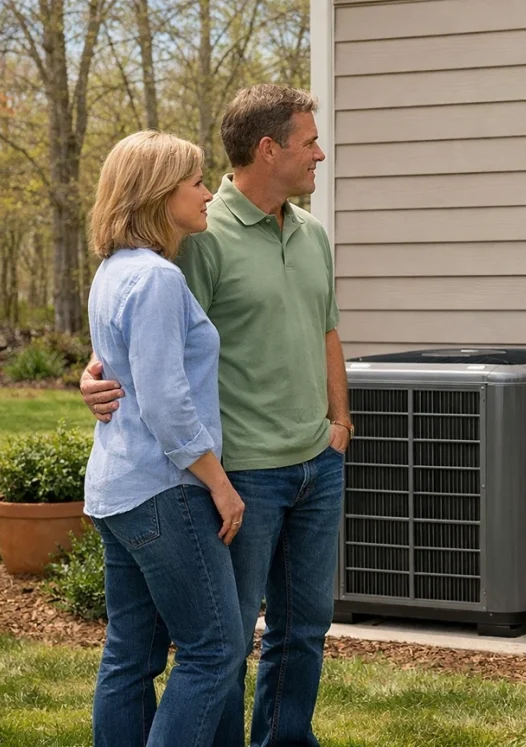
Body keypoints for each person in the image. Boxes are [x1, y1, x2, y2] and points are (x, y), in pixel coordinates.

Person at [81, 85, 350, 747]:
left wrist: (339, 424)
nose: (320, 153)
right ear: (268, 148)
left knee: (302, 627)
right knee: (219, 647)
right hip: (241, 472)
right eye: (308, 141)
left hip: (316, 460)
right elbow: (150, 356)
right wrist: (93, 375)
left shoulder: (312, 233)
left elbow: (327, 331)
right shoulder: (197, 240)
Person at [84, 130, 247, 746]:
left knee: (131, 656)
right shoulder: (155, 279)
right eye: (198, 182)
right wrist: (220, 486)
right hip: (165, 489)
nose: (209, 193)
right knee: (215, 651)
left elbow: (118, 375)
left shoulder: (113, 271)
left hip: (118, 489)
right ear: (159, 193)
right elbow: (165, 401)